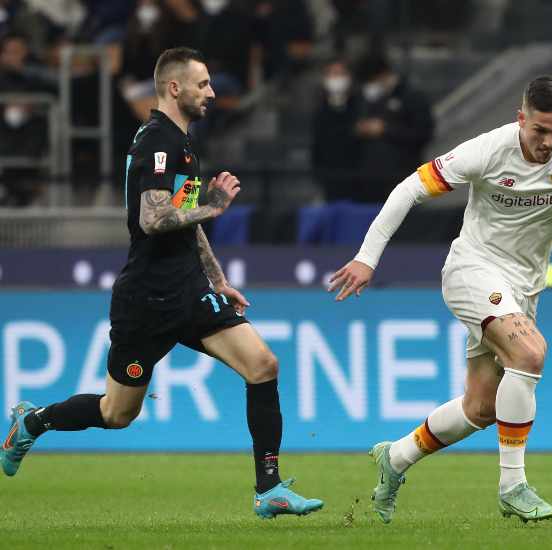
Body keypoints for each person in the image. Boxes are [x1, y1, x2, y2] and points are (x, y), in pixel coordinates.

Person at [328, 76, 552, 523]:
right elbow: (409, 189)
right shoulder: (487, 150)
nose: (548, 141)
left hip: (524, 287)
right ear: (520, 118)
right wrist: (367, 258)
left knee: (482, 407)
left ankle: (397, 458)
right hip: (472, 269)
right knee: (531, 352)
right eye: (539, 130)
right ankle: (513, 486)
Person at [1, 47, 323, 519]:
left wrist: (218, 278)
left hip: (190, 291)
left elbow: (185, 224)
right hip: (147, 300)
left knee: (262, 364)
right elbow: (154, 219)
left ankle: (268, 488)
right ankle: (32, 422)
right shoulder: (158, 141)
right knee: (117, 414)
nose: (211, 93)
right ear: (175, 88)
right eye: (203, 84)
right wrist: (214, 206)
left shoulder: (183, 144)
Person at [352, 51, 434, 203]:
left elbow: (423, 133)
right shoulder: (369, 101)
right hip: (371, 180)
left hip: (404, 178)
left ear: (383, 75)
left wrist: (386, 130)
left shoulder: (412, 96)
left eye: (372, 81)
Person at [310, 57, 359, 202]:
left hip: (358, 180)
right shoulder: (319, 113)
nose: (336, 79)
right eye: (332, 74)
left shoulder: (359, 107)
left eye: (340, 74)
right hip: (329, 180)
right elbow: (317, 147)